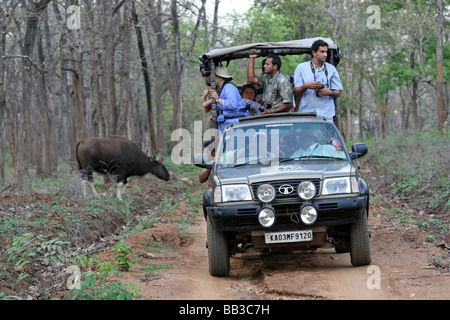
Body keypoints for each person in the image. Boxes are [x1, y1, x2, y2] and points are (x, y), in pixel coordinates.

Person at [293, 39, 343, 121]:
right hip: (306, 114)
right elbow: (295, 92)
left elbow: (338, 92)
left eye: (326, 52)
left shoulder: (331, 69)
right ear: (314, 53)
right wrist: (306, 86)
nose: (325, 55)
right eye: (322, 52)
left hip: (326, 114)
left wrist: (329, 92)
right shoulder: (301, 68)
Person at [203, 67, 248, 133]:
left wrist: (218, 99)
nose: (211, 79)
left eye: (214, 76)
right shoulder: (222, 89)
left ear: (221, 78)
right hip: (228, 126)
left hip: (235, 125)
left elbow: (232, 105)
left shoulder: (229, 87)